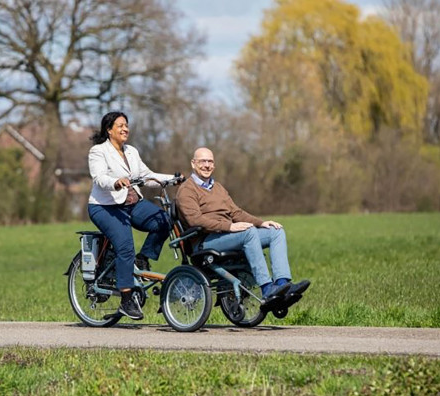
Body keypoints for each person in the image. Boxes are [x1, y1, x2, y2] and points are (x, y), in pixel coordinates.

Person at [176, 147, 310, 308]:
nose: (207, 165)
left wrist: (261, 223)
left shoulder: (218, 188)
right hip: (205, 241)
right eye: (202, 161)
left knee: (276, 232)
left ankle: (282, 285)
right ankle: (267, 288)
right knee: (248, 233)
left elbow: (236, 212)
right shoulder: (186, 190)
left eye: (210, 161)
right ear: (193, 163)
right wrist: (229, 227)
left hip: (226, 235)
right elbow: (195, 220)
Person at [88, 111, 174, 320]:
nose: (125, 129)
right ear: (109, 130)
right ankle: (126, 300)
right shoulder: (98, 152)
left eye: (126, 125)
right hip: (106, 207)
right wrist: (116, 182)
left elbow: (147, 176)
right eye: (120, 125)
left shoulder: (132, 152)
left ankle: (143, 259)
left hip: (133, 204)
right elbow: (99, 177)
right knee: (125, 246)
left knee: (165, 220)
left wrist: (174, 179)